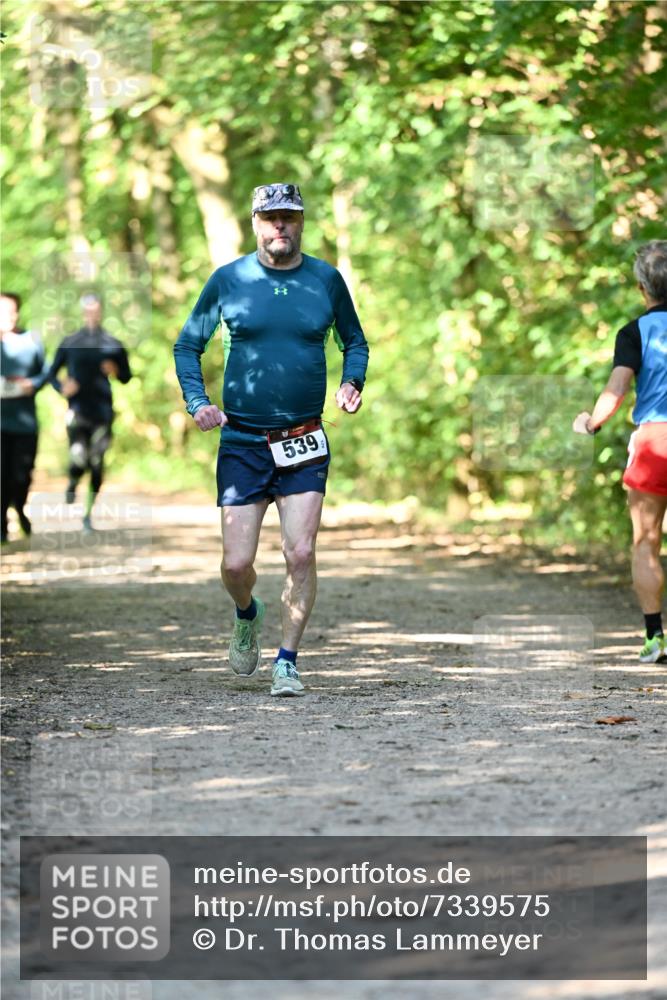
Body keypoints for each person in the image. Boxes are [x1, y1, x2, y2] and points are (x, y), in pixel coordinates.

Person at [174, 183, 369, 697]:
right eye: (270, 218)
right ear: (255, 222)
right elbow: (186, 345)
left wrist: (352, 381)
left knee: (300, 552)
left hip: (304, 438)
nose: (280, 226)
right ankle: (246, 613)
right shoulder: (229, 279)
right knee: (237, 564)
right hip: (241, 439)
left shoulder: (326, 280)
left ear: (301, 222)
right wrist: (199, 403)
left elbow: (355, 341)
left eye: (289, 217)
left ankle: (287, 661)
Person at [574, 240, 667, 663]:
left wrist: (592, 422)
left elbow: (617, 388)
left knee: (646, 543)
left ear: (642, 288)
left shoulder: (635, 332)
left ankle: (655, 639)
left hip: (654, 440)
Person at [42, 293, 132, 532]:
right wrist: (62, 387)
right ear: (83, 312)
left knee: (97, 463)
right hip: (77, 411)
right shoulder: (71, 341)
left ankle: (87, 515)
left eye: (96, 309)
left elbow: (126, 376)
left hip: (102, 411)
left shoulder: (112, 343)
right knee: (79, 458)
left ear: (101, 311)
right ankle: (72, 479)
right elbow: (50, 373)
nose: (92, 313)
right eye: (88, 309)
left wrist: (116, 369)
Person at [0, 292, 50, 542]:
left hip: (24, 423)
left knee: (21, 475)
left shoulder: (31, 340)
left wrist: (34, 383)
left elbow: (46, 372)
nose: (7, 316)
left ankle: (19, 507)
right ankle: (1, 526)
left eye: (11, 311)